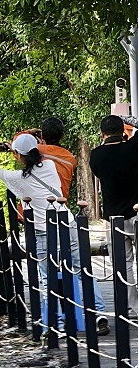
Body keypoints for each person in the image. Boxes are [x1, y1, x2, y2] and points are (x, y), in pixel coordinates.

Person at [0, 133, 109, 335]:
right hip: (67, 224)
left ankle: (54, 322)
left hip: (42, 231)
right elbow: (38, 153)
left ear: (18, 154)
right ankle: (98, 314)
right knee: (81, 270)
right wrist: (21, 147)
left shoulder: (18, 179)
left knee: (46, 276)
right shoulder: (49, 166)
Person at [89, 115, 138, 317]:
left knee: (122, 263)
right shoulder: (134, 148)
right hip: (137, 212)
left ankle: (132, 305)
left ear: (102, 134)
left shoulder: (97, 155)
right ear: (123, 131)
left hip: (114, 217)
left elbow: (99, 174)